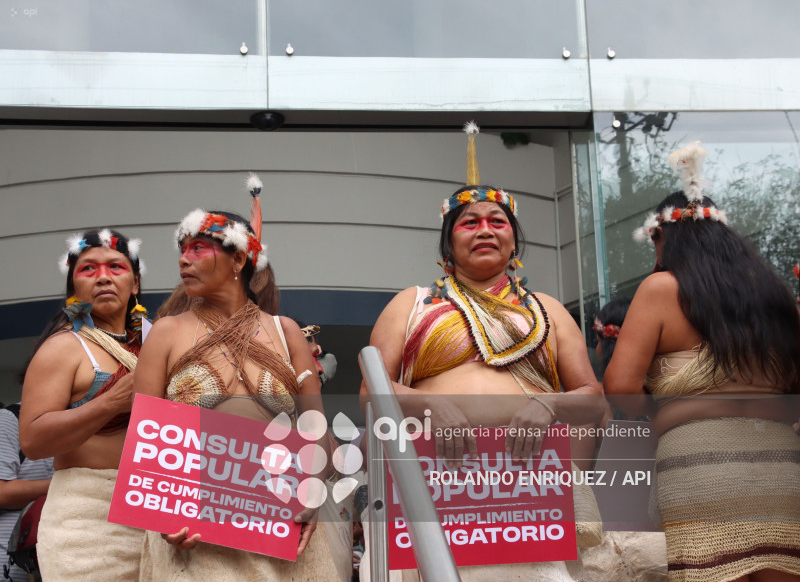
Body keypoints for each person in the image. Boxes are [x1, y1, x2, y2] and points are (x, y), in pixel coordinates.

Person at [360, 123, 604, 581]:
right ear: (449, 243)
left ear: (514, 240)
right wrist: (430, 403)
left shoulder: (546, 310)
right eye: (470, 223)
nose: (485, 230)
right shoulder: (411, 303)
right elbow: (370, 395)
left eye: (498, 222)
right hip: (433, 484)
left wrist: (547, 404)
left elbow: (595, 400)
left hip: (529, 489)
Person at [134, 175, 347, 581]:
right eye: (182, 250)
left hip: (281, 520)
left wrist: (312, 490)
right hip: (192, 523)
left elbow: (313, 427)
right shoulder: (167, 332)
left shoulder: (286, 333)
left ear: (238, 260)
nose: (184, 259)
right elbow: (146, 431)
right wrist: (163, 511)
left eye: (199, 248)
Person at [605, 142, 800, 582]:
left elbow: (619, 385)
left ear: (661, 236)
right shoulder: (776, 295)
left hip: (698, 461)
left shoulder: (660, 289)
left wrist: (659, 409)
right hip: (781, 463)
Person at [19, 228, 148, 581]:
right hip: (87, 522)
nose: (103, 277)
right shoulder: (64, 348)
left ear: (135, 283)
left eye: (116, 268)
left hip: (157, 511)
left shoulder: (158, 342)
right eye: (88, 269)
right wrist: (112, 403)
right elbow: (32, 441)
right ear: (74, 285)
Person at [0, 403, 53, 582]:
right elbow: (2, 492)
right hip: (12, 564)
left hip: (61, 559)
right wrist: (66, 483)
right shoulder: (10, 418)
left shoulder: (103, 424)